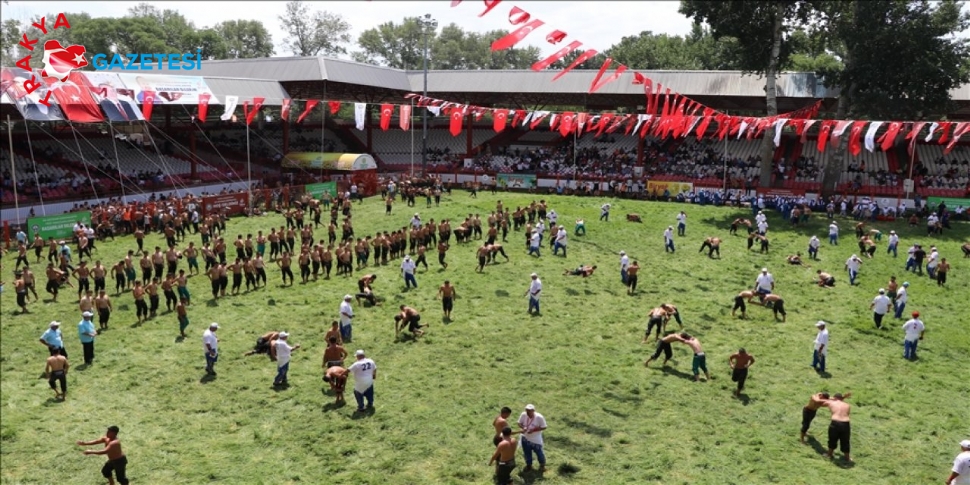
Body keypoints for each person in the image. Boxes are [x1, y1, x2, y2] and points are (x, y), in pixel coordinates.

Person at [822, 393, 852, 462]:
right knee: (845, 441)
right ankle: (847, 458)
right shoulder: (847, 405)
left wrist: (831, 398)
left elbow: (822, 401)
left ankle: (829, 454)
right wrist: (842, 397)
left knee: (832, 439)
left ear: (834, 398)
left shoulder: (831, 403)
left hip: (835, 422)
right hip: (845, 423)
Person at [517, 404, 547, 472]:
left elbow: (544, 427)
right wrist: (523, 427)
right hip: (525, 438)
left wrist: (533, 430)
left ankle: (542, 465)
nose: (528, 412)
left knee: (539, 453)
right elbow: (519, 423)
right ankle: (529, 466)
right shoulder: (523, 415)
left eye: (530, 411)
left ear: (533, 410)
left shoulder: (539, 417)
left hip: (536, 439)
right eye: (527, 410)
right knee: (527, 453)